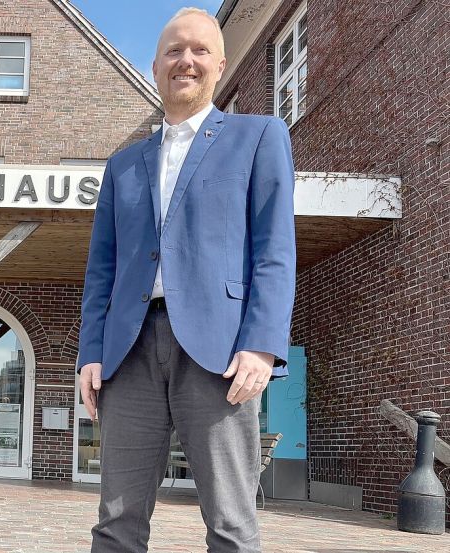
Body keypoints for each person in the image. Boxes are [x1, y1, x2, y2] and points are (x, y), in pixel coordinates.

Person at [77, 7, 296, 553]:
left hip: (219, 352)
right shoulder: (123, 165)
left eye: (199, 50)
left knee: (230, 523)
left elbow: (274, 250)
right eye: (174, 50)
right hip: (129, 352)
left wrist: (262, 346)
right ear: (155, 67)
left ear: (220, 64)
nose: (186, 60)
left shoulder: (259, 136)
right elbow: (102, 269)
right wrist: (91, 351)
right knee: (115, 523)